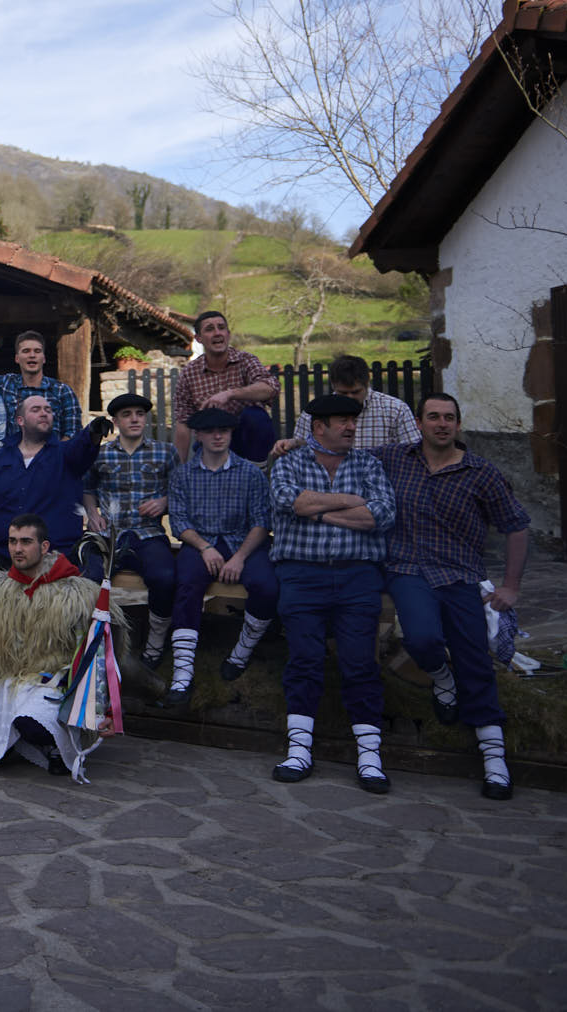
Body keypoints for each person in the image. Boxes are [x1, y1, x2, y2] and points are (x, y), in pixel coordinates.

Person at [371, 393, 529, 800]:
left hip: (460, 576)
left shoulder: (482, 473)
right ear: (419, 423)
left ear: (458, 425)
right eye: (434, 417)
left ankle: (494, 758)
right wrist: (295, 443)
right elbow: (341, 451)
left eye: (450, 418)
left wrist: (510, 586)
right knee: (422, 639)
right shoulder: (393, 458)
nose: (442, 424)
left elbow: (516, 525)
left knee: (474, 656)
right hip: (406, 570)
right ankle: (442, 679)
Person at [269, 394, 397, 792]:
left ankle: (369, 755)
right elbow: (289, 501)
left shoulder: (369, 464)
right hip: (301, 575)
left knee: (359, 662)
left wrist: (318, 510)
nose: (351, 427)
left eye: (353, 421)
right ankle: (299, 749)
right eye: (342, 421)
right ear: (317, 427)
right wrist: (347, 503)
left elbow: (382, 515)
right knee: (304, 658)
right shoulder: (288, 462)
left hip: (358, 577)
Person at [0, 514, 121, 781]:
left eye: (26, 541)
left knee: (33, 723)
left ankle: (49, 742)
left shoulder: (77, 594)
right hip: (12, 681)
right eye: (12, 541)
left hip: (55, 683)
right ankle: (16, 740)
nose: (17, 549)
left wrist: (105, 708)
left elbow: (99, 654)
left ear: (44, 547)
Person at [164, 408, 279, 706]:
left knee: (266, 586)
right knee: (186, 582)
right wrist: (204, 547)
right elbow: (179, 522)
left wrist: (240, 557)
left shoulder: (251, 473)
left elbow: (261, 522)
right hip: (201, 542)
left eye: (225, 431)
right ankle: (182, 673)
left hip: (244, 543)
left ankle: (241, 652)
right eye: (211, 431)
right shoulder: (182, 475)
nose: (218, 436)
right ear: (198, 435)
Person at [81, 392, 177, 669]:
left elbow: (180, 491)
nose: (134, 419)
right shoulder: (100, 453)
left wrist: (164, 501)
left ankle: (156, 639)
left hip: (148, 533)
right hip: (109, 533)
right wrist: (92, 514)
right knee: (90, 577)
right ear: (115, 421)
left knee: (165, 577)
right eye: (127, 415)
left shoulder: (165, 452)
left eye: (139, 414)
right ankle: (89, 640)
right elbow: (88, 489)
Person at [0, 395, 111, 569]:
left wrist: (93, 432)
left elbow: (83, 446)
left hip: (55, 560)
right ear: (20, 420)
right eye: (36, 410)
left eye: (48, 410)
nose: (44, 413)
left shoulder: (66, 455)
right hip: (1, 559)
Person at [172, 311, 280, 463]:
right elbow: (183, 424)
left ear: (228, 334)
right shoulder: (188, 373)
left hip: (246, 441)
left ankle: (257, 470)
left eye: (221, 328)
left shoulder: (246, 361)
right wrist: (179, 470)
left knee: (255, 416)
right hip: (210, 444)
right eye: (209, 329)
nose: (217, 333)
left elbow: (271, 387)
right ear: (199, 338)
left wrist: (230, 394)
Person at [272, 354, 419, 459]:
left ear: (367, 383)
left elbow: (415, 452)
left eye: (355, 392)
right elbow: (301, 453)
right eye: (343, 393)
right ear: (333, 386)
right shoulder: (313, 413)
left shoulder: (395, 409)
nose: (350, 399)